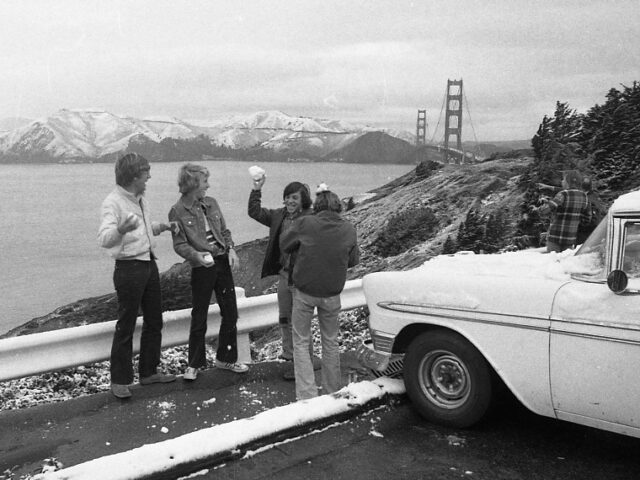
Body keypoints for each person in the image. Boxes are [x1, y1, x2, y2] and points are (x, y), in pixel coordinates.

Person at [98, 152, 177, 399]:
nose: (149, 177)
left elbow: (141, 230)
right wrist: (121, 229)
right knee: (127, 324)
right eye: (146, 173)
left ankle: (148, 372)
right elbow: (104, 238)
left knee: (155, 320)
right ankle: (119, 380)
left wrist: (159, 228)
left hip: (147, 264)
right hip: (129, 269)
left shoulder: (140, 199)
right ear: (134, 176)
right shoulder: (112, 202)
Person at [169, 163, 248, 381]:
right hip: (201, 267)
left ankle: (226, 359)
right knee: (199, 315)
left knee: (230, 312)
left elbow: (224, 230)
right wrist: (196, 256)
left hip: (221, 261)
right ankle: (194, 364)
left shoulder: (212, 203)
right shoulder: (177, 211)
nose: (208, 185)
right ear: (193, 183)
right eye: (205, 181)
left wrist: (231, 249)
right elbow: (179, 245)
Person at [280, 187, 359, 400]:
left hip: (305, 291)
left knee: (301, 341)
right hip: (332, 294)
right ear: (338, 208)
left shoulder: (306, 223)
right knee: (331, 341)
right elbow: (353, 261)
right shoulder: (349, 229)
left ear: (317, 206)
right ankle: (332, 392)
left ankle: (306, 396)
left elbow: (285, 244)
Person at [248, 174, 316, 379]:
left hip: (302, 278)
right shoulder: (279, 216)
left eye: (294, 197)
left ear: (303, 199)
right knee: (285, 318)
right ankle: (291, 355)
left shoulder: (311, 219)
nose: (289, 201)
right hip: (285, 276)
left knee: (300, 322)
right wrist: (256, 189)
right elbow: (255, 212)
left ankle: (304, 364)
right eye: (287, 197)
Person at [537, 170, 591, 252]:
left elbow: (544, 211)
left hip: (555, 237)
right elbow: (587, 220)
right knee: (565, 262)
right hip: (570, 238)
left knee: (553, 262)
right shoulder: (585, 197)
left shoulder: (563, 194)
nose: (562, 181)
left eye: (563, 179)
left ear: (568, 182)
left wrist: (543, 205)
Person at [576, 176, 606, 245]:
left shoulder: (587, 197)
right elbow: (603, 211)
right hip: (594, 228)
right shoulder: (594, 196)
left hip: (586, 230)